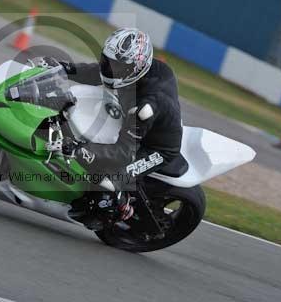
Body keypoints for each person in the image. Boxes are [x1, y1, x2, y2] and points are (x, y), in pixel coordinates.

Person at [59, 28, 187, 221]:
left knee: (109, 181)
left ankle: (121, 209)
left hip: (156, 147)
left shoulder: (145, 107)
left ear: (136, 68)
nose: (110, 69)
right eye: (108, 62)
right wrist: (64, 68)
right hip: (135, 121)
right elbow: (97, 72)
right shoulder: (132, 71)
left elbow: (125, 151)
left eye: (117, 67)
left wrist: (82, 150)